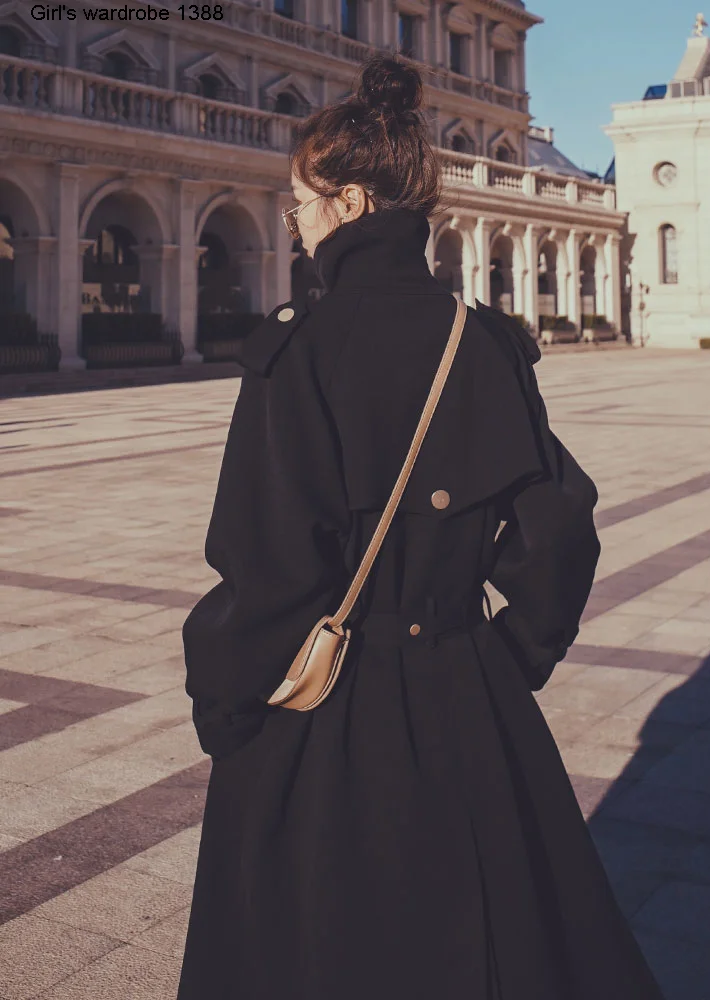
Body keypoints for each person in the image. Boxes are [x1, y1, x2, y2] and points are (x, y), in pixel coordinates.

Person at [178, 54, 665, 1000]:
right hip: (465, 692)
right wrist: (510, 655)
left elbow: (267, 566)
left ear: (351, 203)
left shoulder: (297, 349)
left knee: (309, 947)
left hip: (324, 722)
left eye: (301, 203)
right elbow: (561, 524)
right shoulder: (482, 339)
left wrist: (226, 703)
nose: (294, 222)